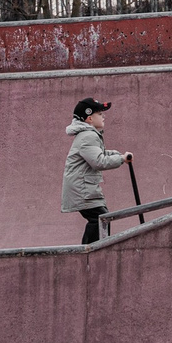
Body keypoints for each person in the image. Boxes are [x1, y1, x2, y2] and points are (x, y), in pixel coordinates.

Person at [63, 97, 131, 246]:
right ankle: (89, 251)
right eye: (100, 114)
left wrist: (117, 155)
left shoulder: (88, 134)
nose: (103, 117)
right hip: (82, 189)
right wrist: (121, 159)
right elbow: (99, 162)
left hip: (84, 187)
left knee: (101, 217)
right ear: (89, 119)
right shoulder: (88, 136)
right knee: (100, 218)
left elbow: (99, 154)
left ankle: (91, 249)